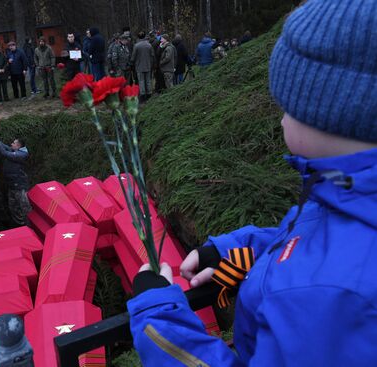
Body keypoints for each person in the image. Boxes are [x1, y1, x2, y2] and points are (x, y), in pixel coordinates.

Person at [128, 1, 377, 366]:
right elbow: (315, 239)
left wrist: (159, 320)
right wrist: (244, 250)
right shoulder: (348, 194)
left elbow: (319, 273)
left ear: (337, 116)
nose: (280, 122)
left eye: (288, 109)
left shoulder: (326, 297)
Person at [0, 133, 32, 227]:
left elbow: (5, 153)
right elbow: (6, 147)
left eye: (14, 143)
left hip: (20, 188)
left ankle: (29, 228)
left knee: (24, 208)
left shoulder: (22, 155)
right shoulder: (16, 151)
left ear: (19, 146)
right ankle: (18, 226)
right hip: (12, 186)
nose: (11, 144)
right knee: (13, 208)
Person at [131, 31, 154, 103]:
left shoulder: (136, 45)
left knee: (141, 81)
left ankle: (143, 96)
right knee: (148, 81)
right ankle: (149, 94)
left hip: (139, 66)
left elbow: (133, 57)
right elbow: (152, 55)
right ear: (144, 36)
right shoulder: (149, 45)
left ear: (138, 37)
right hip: (148, 65)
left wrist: (131, 62)